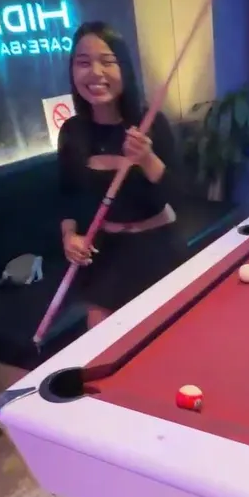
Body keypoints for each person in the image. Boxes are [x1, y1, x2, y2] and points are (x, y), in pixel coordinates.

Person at [57, 21, 187, 328]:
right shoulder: (72, 132)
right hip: (108, 253)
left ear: (124, 68)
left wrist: (147, 158)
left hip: (158, 247)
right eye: (83, 63)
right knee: (100, 336)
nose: (95, 73)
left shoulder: (151, 123)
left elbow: (180, 195)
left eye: (107, 61)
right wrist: (69, 236)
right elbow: (67, 195)